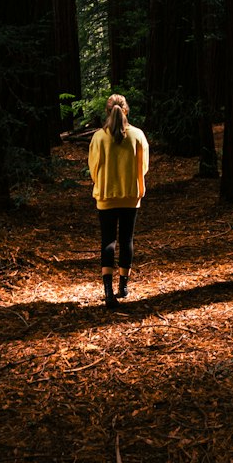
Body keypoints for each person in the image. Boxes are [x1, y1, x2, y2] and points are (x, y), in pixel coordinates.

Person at [88, 93, 150, 309]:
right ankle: (123, 286)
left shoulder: (98, 137)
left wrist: (101, 183)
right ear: (126, 110)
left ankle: (107, 290)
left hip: (106, 195)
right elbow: (144, 167)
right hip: (130, 194)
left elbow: (93, 168)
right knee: (127, 239)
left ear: (107, 111)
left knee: (108, 241)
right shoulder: (138, 135)